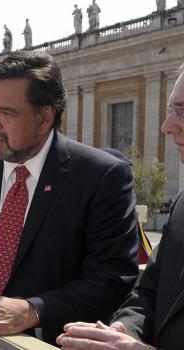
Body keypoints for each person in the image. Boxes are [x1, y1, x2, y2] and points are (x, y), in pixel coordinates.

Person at [0, 51, 139, 344]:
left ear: (44, 116)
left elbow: (111, 281)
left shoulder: (101, 177)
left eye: (6, 113)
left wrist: (32, 309)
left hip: (48, 338)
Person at [56, 63, 184, 350]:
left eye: (182, 111)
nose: (166, 126)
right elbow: (148, 294)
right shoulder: (181, 206)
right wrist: (122, 330)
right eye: (171, 110)